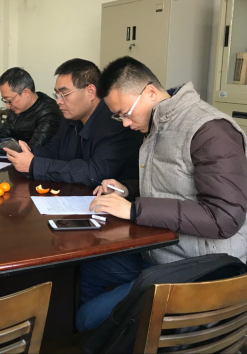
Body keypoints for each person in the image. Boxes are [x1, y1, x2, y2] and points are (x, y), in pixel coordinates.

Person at [77, 56, 247, 331]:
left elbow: (225, 218)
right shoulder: (159, 123)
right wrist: (128, 188)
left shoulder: (211, 130)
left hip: (203, 268)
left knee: (87, 318)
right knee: (91, 268)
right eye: (118, 116)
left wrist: (134, 209)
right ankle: (118, 337)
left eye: (125, 113)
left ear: (149, 93)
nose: (124, 123)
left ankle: (127, 336)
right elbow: (174, 184)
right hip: (161, 252)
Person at [4, 59, 143, 186]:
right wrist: (29, 151)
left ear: (90, 91)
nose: (59, 101)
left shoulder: (117, 122)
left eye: (64, 94)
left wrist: (35, 165)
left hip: (112, 200)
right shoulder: (71, 116)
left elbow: (95, 173)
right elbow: (54, 149)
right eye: (57, 95)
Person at [0, 67, 62, 154]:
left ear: (26, 93)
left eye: (9, 100)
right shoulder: (17, 108)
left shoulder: (49, 113)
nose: (7, 105)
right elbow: (3, 134)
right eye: (5, 100)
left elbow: (32, 149)